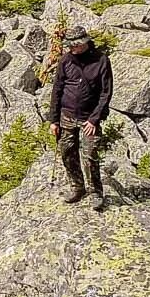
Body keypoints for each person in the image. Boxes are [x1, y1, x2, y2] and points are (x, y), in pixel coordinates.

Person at [47, 27, 113, 210]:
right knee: (67, 152)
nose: (71, 49)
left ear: (84, 43)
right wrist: (53, 120)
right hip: (66, 116)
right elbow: (57, 90)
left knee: (90, 155)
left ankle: (95, 193)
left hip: (89, 119)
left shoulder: (101, 61)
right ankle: (77, 187)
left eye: (74, 45)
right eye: (69, 45)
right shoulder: (66, 60)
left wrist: (94, 119)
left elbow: (105, 94)